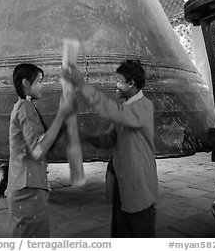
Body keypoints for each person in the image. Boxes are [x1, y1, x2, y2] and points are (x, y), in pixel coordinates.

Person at [62, 59, 158, 238]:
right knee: (121, 233)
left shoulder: (144, 106)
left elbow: (111, 111)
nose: (116, 85)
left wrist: (82, 85)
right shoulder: (125, 108)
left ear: (131, 83)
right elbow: (109, 139)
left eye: (119, 81)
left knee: (140, 235)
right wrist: (85, 137)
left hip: (139, 182)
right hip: (122, 183)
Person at [8, 63, 75, 238]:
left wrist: (64, 120)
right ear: (25, 83)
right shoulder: (25, 108)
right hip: (27, 188)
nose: (42, 85)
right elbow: (38, 150)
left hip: (25, 184)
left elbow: (43, 140)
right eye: (38, 81)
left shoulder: (22, 106)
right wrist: (61, 115)